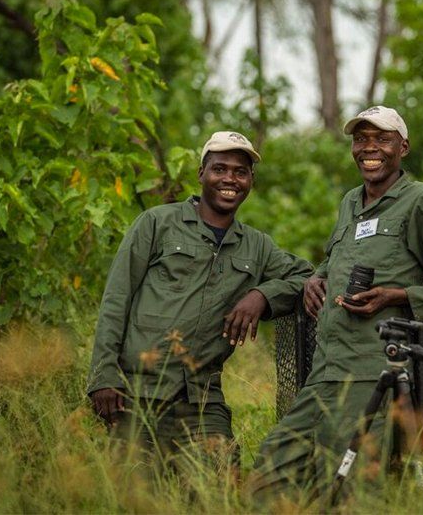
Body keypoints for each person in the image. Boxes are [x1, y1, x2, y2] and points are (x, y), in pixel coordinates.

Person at [251, 106, 423, 498]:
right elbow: (338, 259)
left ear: (403, 147)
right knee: (270, 472)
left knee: (352, 490)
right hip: (324, 370)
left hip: (369, 375)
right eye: (361, 139)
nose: (369, 148)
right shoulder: (349, 203)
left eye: (382, 139)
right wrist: (315, 277)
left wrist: (398, 296)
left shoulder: (421, 201)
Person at [87, 131, 312, 468]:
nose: (230, 180)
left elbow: (307, 277)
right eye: (220, 169)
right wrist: (103, 376)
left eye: (240, 172)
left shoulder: (257, 246)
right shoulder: (156, 223)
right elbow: (116, 299)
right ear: (201, 173)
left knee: (221, 485)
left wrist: (261, 295)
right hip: (136, 393)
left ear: (250, 180)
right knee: (135, 495)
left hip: (202, 402)